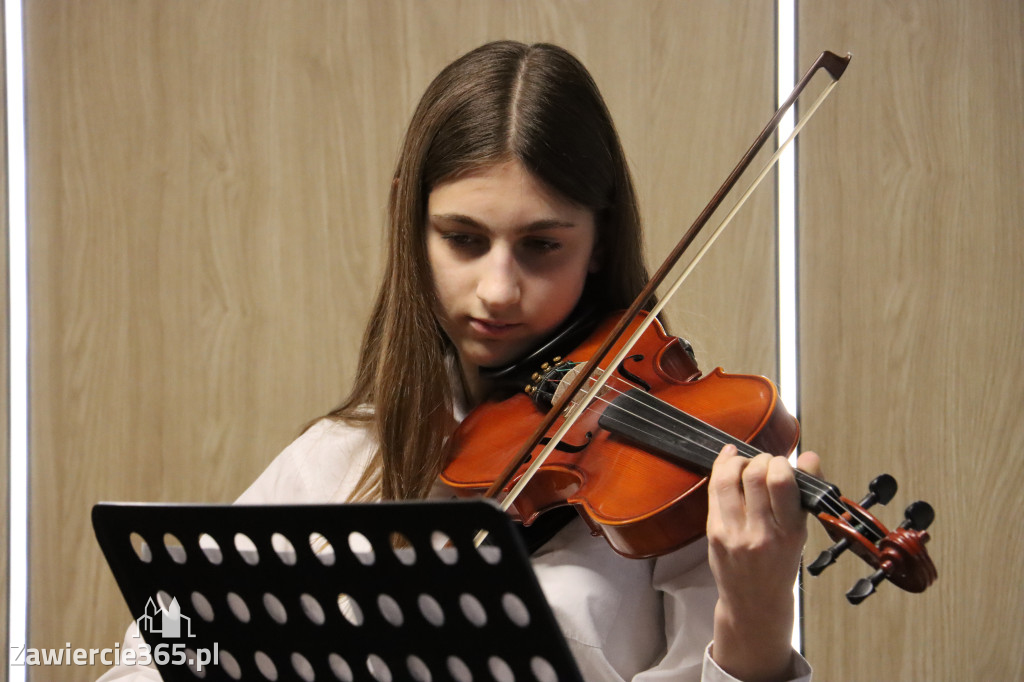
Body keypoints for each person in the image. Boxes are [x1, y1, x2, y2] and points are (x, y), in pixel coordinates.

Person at [98, 40, 820, 682]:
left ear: (598, 244)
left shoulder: (676, 491)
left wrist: (754, 634)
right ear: (414, 228)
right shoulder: (340, 459)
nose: (498, 290)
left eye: (542, 245)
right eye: (464, 239)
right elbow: (148, 658)